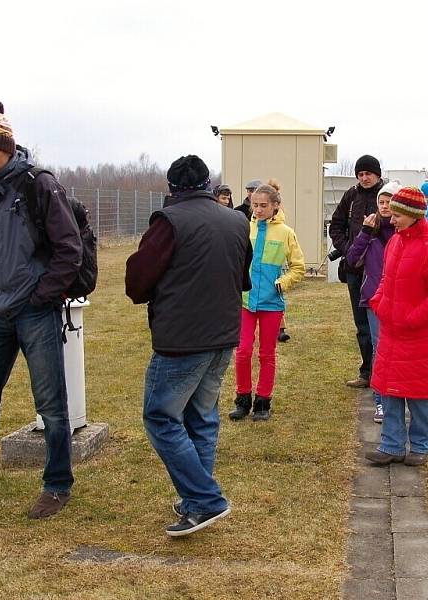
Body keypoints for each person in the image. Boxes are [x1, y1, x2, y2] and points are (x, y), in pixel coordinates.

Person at [0, 100, 82, 519]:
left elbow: (69, 249)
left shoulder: (39, 185)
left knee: (51, 404)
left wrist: (41, 296)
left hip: (35, 312)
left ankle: (57, 484)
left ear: (6, 148)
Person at [125, 155, 252, 537]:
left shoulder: (169, 222)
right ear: (207, 184)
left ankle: (206, 498)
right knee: (202, 417)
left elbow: (137, 282)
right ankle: (197, 501)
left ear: (172, 187)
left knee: (161, 418)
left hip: (182, 339)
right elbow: (242, 277)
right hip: (224, 333)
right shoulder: (236, 220)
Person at [364, 187, 428, 467]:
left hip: (420, 335)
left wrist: (412, 319)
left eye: (397, 215)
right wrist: (378, 303)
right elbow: (385, 280)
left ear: (414, 215)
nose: (391, 220)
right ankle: (391, 444)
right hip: (392, 330)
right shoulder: (396, 242)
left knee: (418, 395)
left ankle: (421, 444)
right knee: (390, 390)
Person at [229, 180, 305, 421]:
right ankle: (242, 398)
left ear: (275, 206)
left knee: (267, 353)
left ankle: (263, 401)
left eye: (263, 205)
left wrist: (281, 284)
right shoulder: (243, 228)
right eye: (255, 205)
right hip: (245, 300)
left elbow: (298, 267)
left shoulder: (286, 233)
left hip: (271, 304)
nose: (258, 210)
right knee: (242, 351)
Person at [346, 181, 400, 424]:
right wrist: (365, 233)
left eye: (390, 201)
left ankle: (397, 395)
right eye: (381, 202)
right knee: (380, 349)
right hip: (374, 299)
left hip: (400, 299)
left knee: (397, 350)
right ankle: (380, 401)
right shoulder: (372, 229)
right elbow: (352, 259)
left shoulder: (402, 232)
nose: (385, 206)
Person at [329, 155, 384, 388]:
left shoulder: (387, 196)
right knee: (361, 323)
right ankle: (366, 371)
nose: (364, 178)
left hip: (380, 271)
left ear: (377, 174)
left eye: (368, 174)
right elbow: (336, 226)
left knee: (381, 325)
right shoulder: (351, 195)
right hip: (354, 269)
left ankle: (383, 372)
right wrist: (347, 248)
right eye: (360, 174)